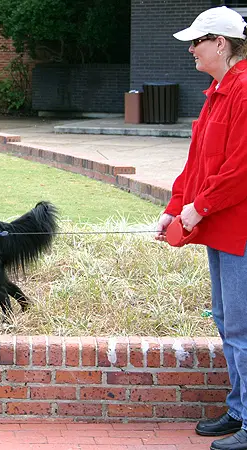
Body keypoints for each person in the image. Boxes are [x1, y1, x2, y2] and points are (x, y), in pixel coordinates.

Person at [156, 6, 247, 450]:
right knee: (228, 321)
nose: (191, 49)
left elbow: (241, 169)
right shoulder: (218, 91)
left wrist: (200, 206)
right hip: (221, 227)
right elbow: (198, 163)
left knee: (243, 328)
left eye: (197, 41)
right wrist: (176, 207)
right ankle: (240, 408)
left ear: (221, 43)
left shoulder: (245, 91)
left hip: (240, 229)